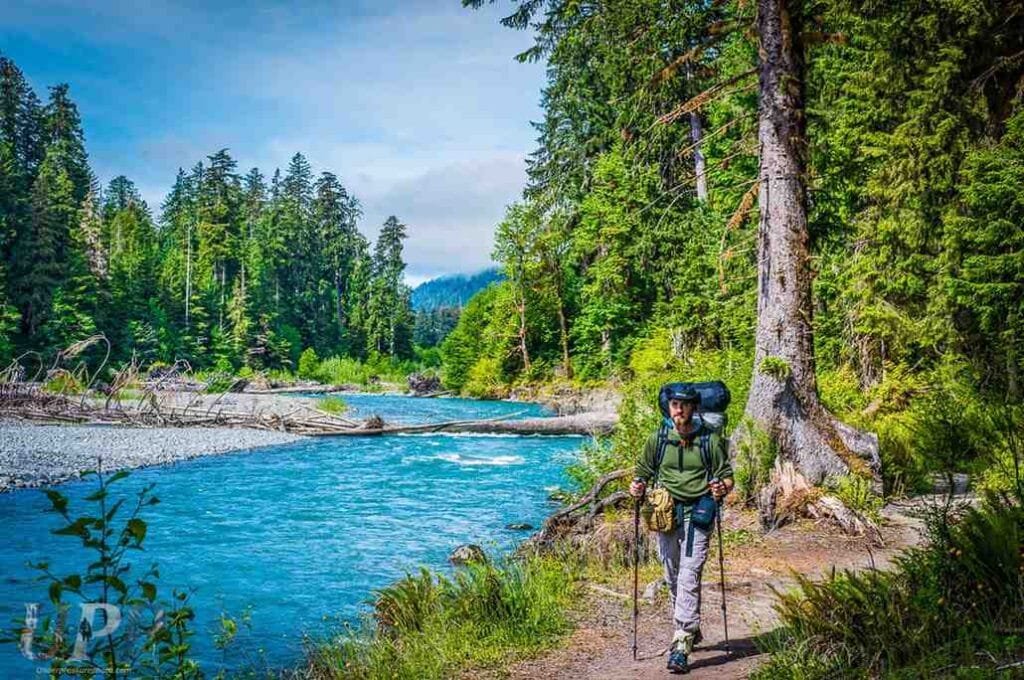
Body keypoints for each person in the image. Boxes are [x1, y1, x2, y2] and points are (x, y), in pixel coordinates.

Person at [630, 386, 734, 674]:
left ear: (693, 408)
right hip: (666, 514)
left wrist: (719, 488)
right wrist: (636, 486)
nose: (680, 409)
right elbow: (642, 472)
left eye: (685, 405)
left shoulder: (709, 440)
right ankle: (688, 626)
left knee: (690, 573)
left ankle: (682, 642)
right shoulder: (659, 439)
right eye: (675, 404)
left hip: (699, 512)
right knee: (672, 573)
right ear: (669, 407)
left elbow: (727, 478)